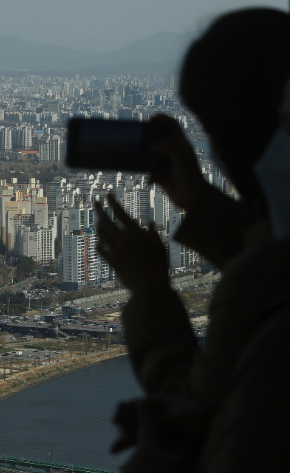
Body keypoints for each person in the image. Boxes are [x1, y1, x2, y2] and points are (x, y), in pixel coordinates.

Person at [92, 8, 290, 471]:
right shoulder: (269, 269)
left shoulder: (277, 341)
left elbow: (198, 401)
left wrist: (150, 292)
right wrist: (200, 204)